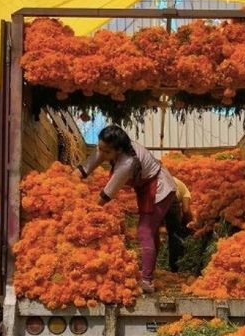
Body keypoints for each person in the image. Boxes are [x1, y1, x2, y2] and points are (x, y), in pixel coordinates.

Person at [75, 125, 176, 293]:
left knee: (145, 231)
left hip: (160, 188)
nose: (102, 153)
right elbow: (85, 168)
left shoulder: (127, 162)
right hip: (145, 188)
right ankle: (149, 272)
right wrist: (65, 182)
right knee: (151, 232)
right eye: (100, 148)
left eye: (106, 152)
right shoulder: (107, 147)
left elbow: (105, 195)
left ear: (119, 150)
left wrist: (84, 212)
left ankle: (147, 281)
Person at [165, 176, 193, 273]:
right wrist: (191, 224)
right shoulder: (186, 192)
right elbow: (185, 210)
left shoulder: (176, 181)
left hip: (153, 193)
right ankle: (175, 267)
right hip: (170, 196)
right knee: (175, 234)